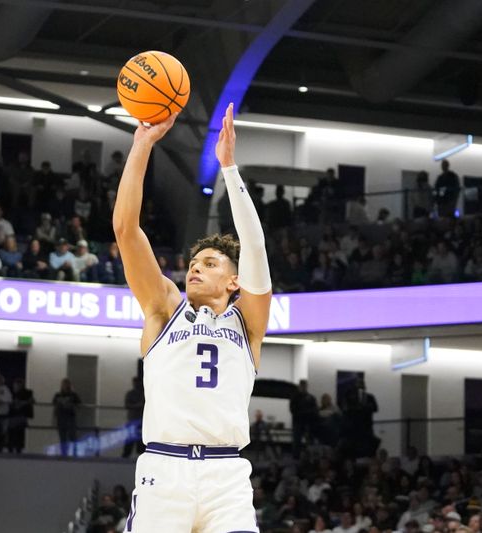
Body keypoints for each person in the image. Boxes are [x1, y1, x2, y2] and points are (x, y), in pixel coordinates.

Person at [113, 105, 271, 532]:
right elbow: (126, 230)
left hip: (226, 475)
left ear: (234, 281)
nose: (195, 268)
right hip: (165, 469)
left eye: (210, 263)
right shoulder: (164, 307)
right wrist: (142, 145)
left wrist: (230, 168)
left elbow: (255, 248)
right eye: (194, 262)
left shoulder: (248, 324)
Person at [52, 378, 81, 457]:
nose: (66, 386)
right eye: (64, 384)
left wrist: (71, 405)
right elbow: (54, 406)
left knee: (72, 436)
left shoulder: (74, 395)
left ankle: (74, 453)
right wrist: (54, 419)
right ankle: (64, 453)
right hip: (61, 418)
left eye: (67, 384)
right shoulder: (58, 395)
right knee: (63, 437)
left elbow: (78, 405)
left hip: (70, 418)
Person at [290, 379, 319, 456]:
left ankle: (308, 456)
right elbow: (293, 410)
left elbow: (315, 410)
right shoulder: (295, 398)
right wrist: (306, 412)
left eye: (304, 386)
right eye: (302, 386)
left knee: (308, 441)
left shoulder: (310, 398)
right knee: (297, 441)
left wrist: (304, 413)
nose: (303, 387)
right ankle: (297, 456)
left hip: (307, 422)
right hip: (299, 422)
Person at [8, 378, 34, 454]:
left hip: (21, 416)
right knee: (11, 433)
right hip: (12, 416)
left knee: (19, 433)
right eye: (16, 385)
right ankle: (11, 449)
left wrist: (21, 403)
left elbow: (31, 400)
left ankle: (18, 449)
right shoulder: (10, 392)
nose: (17, 386)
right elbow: (8, 401)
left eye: (18, 385)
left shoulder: (28, 392)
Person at [122, 377, 145, 458]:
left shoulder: (144, 393)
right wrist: (137, 405)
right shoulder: (130, 394)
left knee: (141, 441)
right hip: (132, 420)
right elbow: (127, 405)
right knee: (129, 440)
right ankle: (125, 455)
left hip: (142, 421)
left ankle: (142, 457)